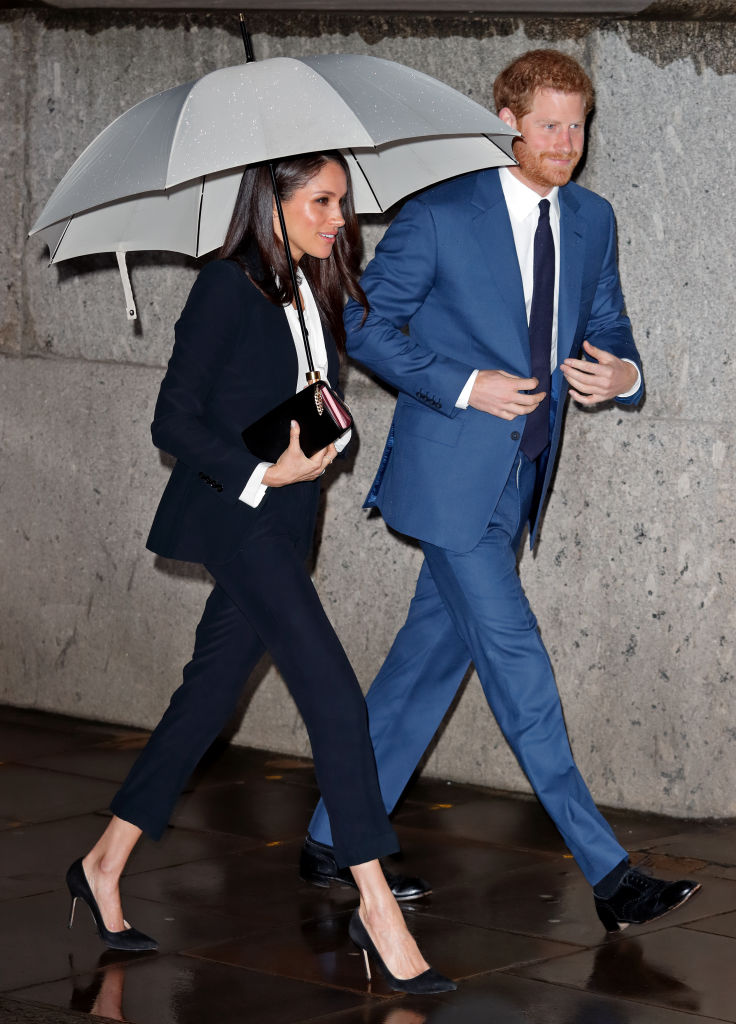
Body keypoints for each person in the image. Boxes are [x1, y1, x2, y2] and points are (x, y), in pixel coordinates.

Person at [300, 52, 701, 932]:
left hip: (519, 481)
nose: (568, 142)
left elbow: (607, 323)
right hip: (448, 481)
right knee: (520, 668)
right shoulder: (443, 215)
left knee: (424, 666)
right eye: (550, 123)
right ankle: (609, 875)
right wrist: (461, 382)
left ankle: (334, 834)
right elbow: (360, 319)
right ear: (509, 118)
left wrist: (622, 373)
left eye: (580, 124)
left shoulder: (593, 219)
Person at [66, 151, 455, 994]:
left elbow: (294, 401)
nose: (339, 219)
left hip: (285, 527)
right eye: (322, 200)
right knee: (335, 698)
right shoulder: (225, 287)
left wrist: (326, 435)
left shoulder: (312, 289)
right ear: (272, 202)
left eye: (343, 203)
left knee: (208, 699)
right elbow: (173, 417)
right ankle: (376, 909)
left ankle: (103, 862)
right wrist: (260, 475)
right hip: (239, 521)